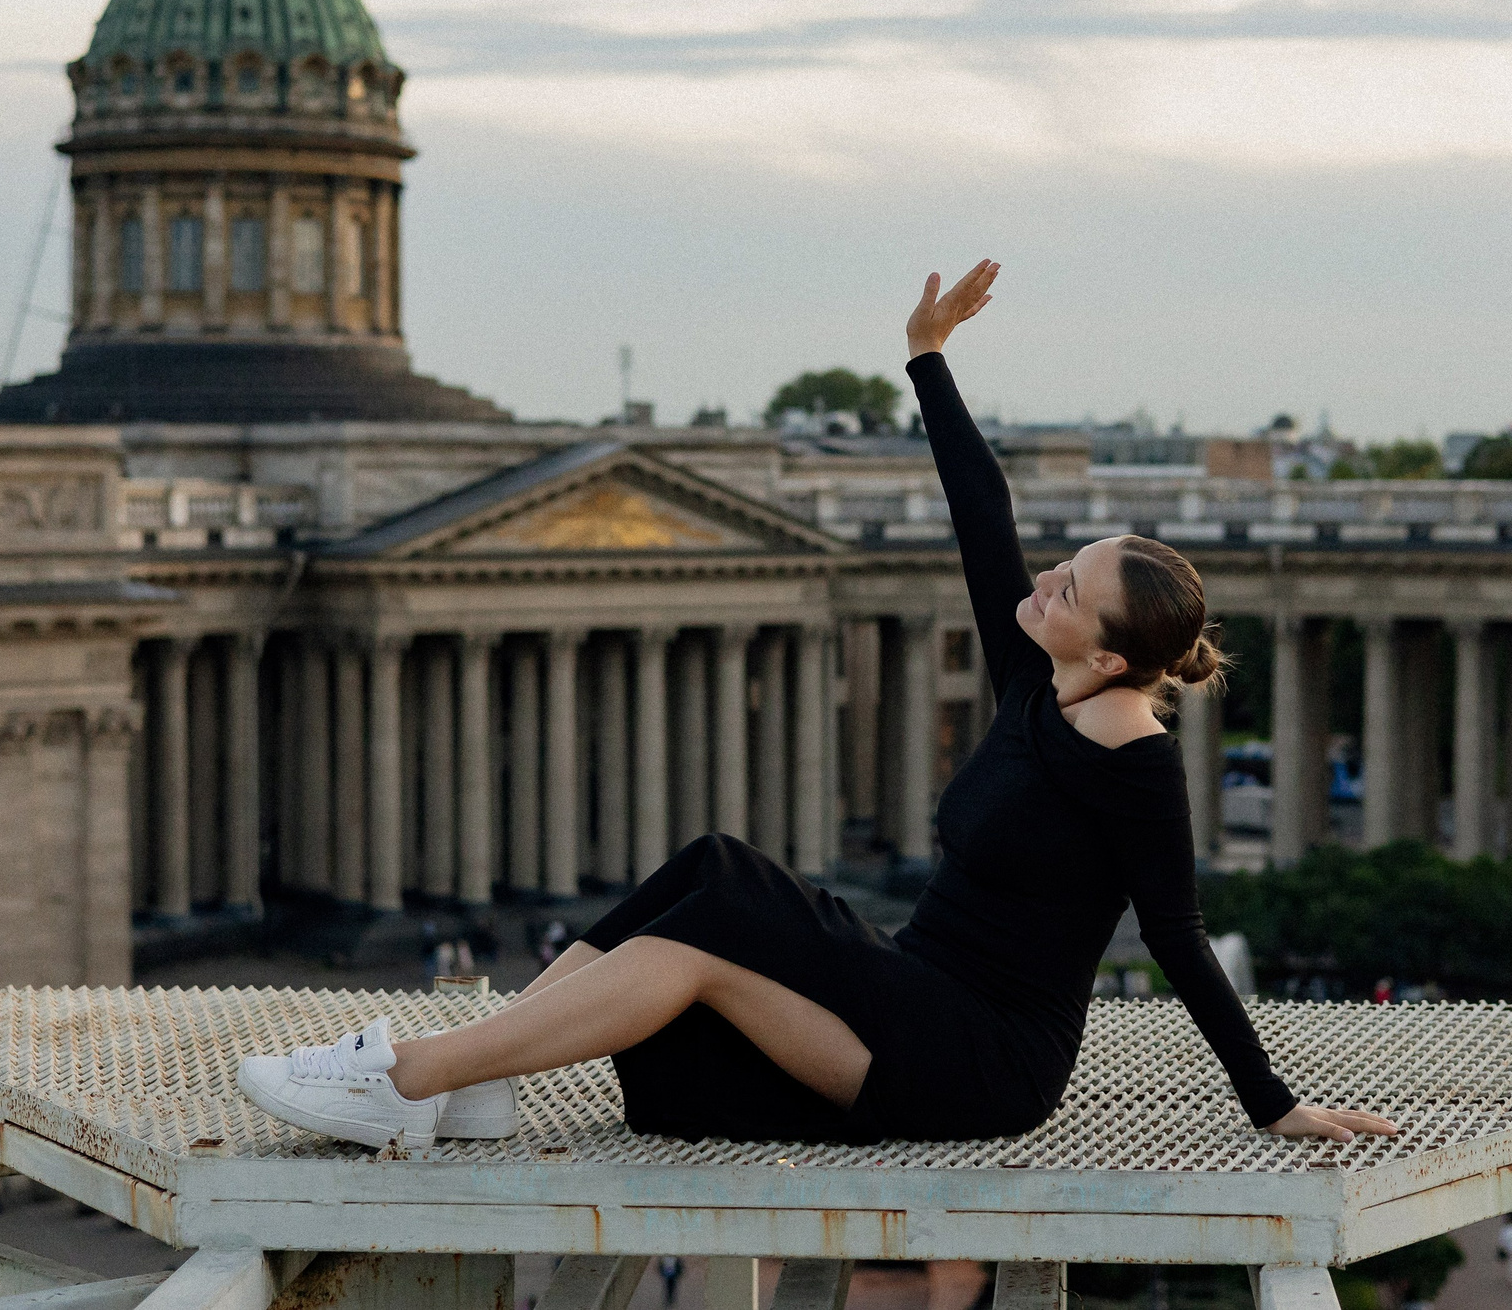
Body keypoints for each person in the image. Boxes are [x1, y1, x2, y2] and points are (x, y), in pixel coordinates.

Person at [234, 262, 1400, 1157]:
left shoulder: (1135, 763)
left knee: (721, 921)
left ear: (1108, 652)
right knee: (714, 861)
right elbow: (980, 510)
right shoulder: (1038, 677)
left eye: (1064, 591)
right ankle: (481, 1075)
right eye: (1058, 571)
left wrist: (1275, 1103)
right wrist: (926, 357)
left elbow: (1181, 940)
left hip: (980, 1058)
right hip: (912, 988)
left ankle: (407, 1079)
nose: (1037, 584)